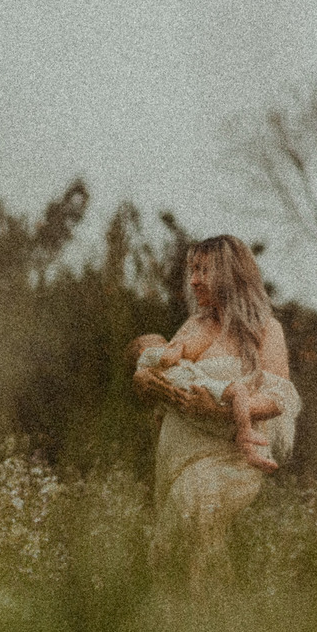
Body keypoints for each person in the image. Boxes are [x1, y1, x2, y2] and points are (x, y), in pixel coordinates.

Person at [131, 235, 300, 590]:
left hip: (231, 456)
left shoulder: (267, 331)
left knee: (192, 522)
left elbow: (278, 397)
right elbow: (164, 372)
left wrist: (222, 412)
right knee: (184, 550)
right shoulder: (194, 326)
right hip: (179, 455)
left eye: (203, 270)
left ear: (231, 274)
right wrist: (145, 382)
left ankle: (212, 626)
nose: (193, 280)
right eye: (192, 270)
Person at [130, 331, 278, 473]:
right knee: (239, 390)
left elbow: (159, 417)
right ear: (143, 351)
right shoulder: (148, 357)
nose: (168, 344)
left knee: (230, 428)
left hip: (191, 412)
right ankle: (246, 432)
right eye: (162, 343)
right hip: (196, 386)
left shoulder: (157, 382)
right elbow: (167, 358)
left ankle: (250, 454)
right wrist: (179, 347)